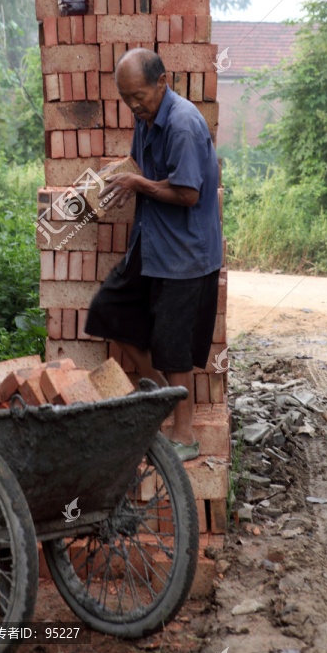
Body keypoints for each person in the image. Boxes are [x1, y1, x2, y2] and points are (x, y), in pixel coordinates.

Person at [84, 48, 222, 461]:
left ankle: (184, 436)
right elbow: (143, 170)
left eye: (138, 96)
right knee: (111, 311)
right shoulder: (147, 119)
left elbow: (188, 193)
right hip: (152, 242)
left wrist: (136, 185)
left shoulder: (182, 125)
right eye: (126, 98)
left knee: (174, 346)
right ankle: (163, 396)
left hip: (185, 252)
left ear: (162, 83)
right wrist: (115, 176)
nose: (133, 105)